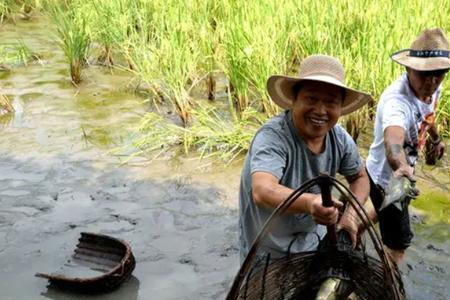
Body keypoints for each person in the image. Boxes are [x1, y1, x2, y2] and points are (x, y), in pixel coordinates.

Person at [238, 54, 372, 262]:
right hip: (266, 251)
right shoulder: (273, 136)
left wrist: (350, 216)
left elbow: (360, 178)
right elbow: (262, 190)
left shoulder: (340, 139)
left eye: (330, 102)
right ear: (294, 100)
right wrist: (311, 203)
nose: (320, 111)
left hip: (311, 243)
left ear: (340, 108)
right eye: (311, 99)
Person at [366, 28, 449, 265]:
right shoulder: (396, 101)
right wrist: (401, 166)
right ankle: (386, 283)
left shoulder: (432, 86)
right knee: (398, 245)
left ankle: (347, 231)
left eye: (440, 73)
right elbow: (393, 140)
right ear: (408, 68)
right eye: (425, 74)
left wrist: (435, 138)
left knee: (374, 211)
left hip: (389, 172)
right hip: (390, 178)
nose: (432, 81)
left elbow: (428, 113)